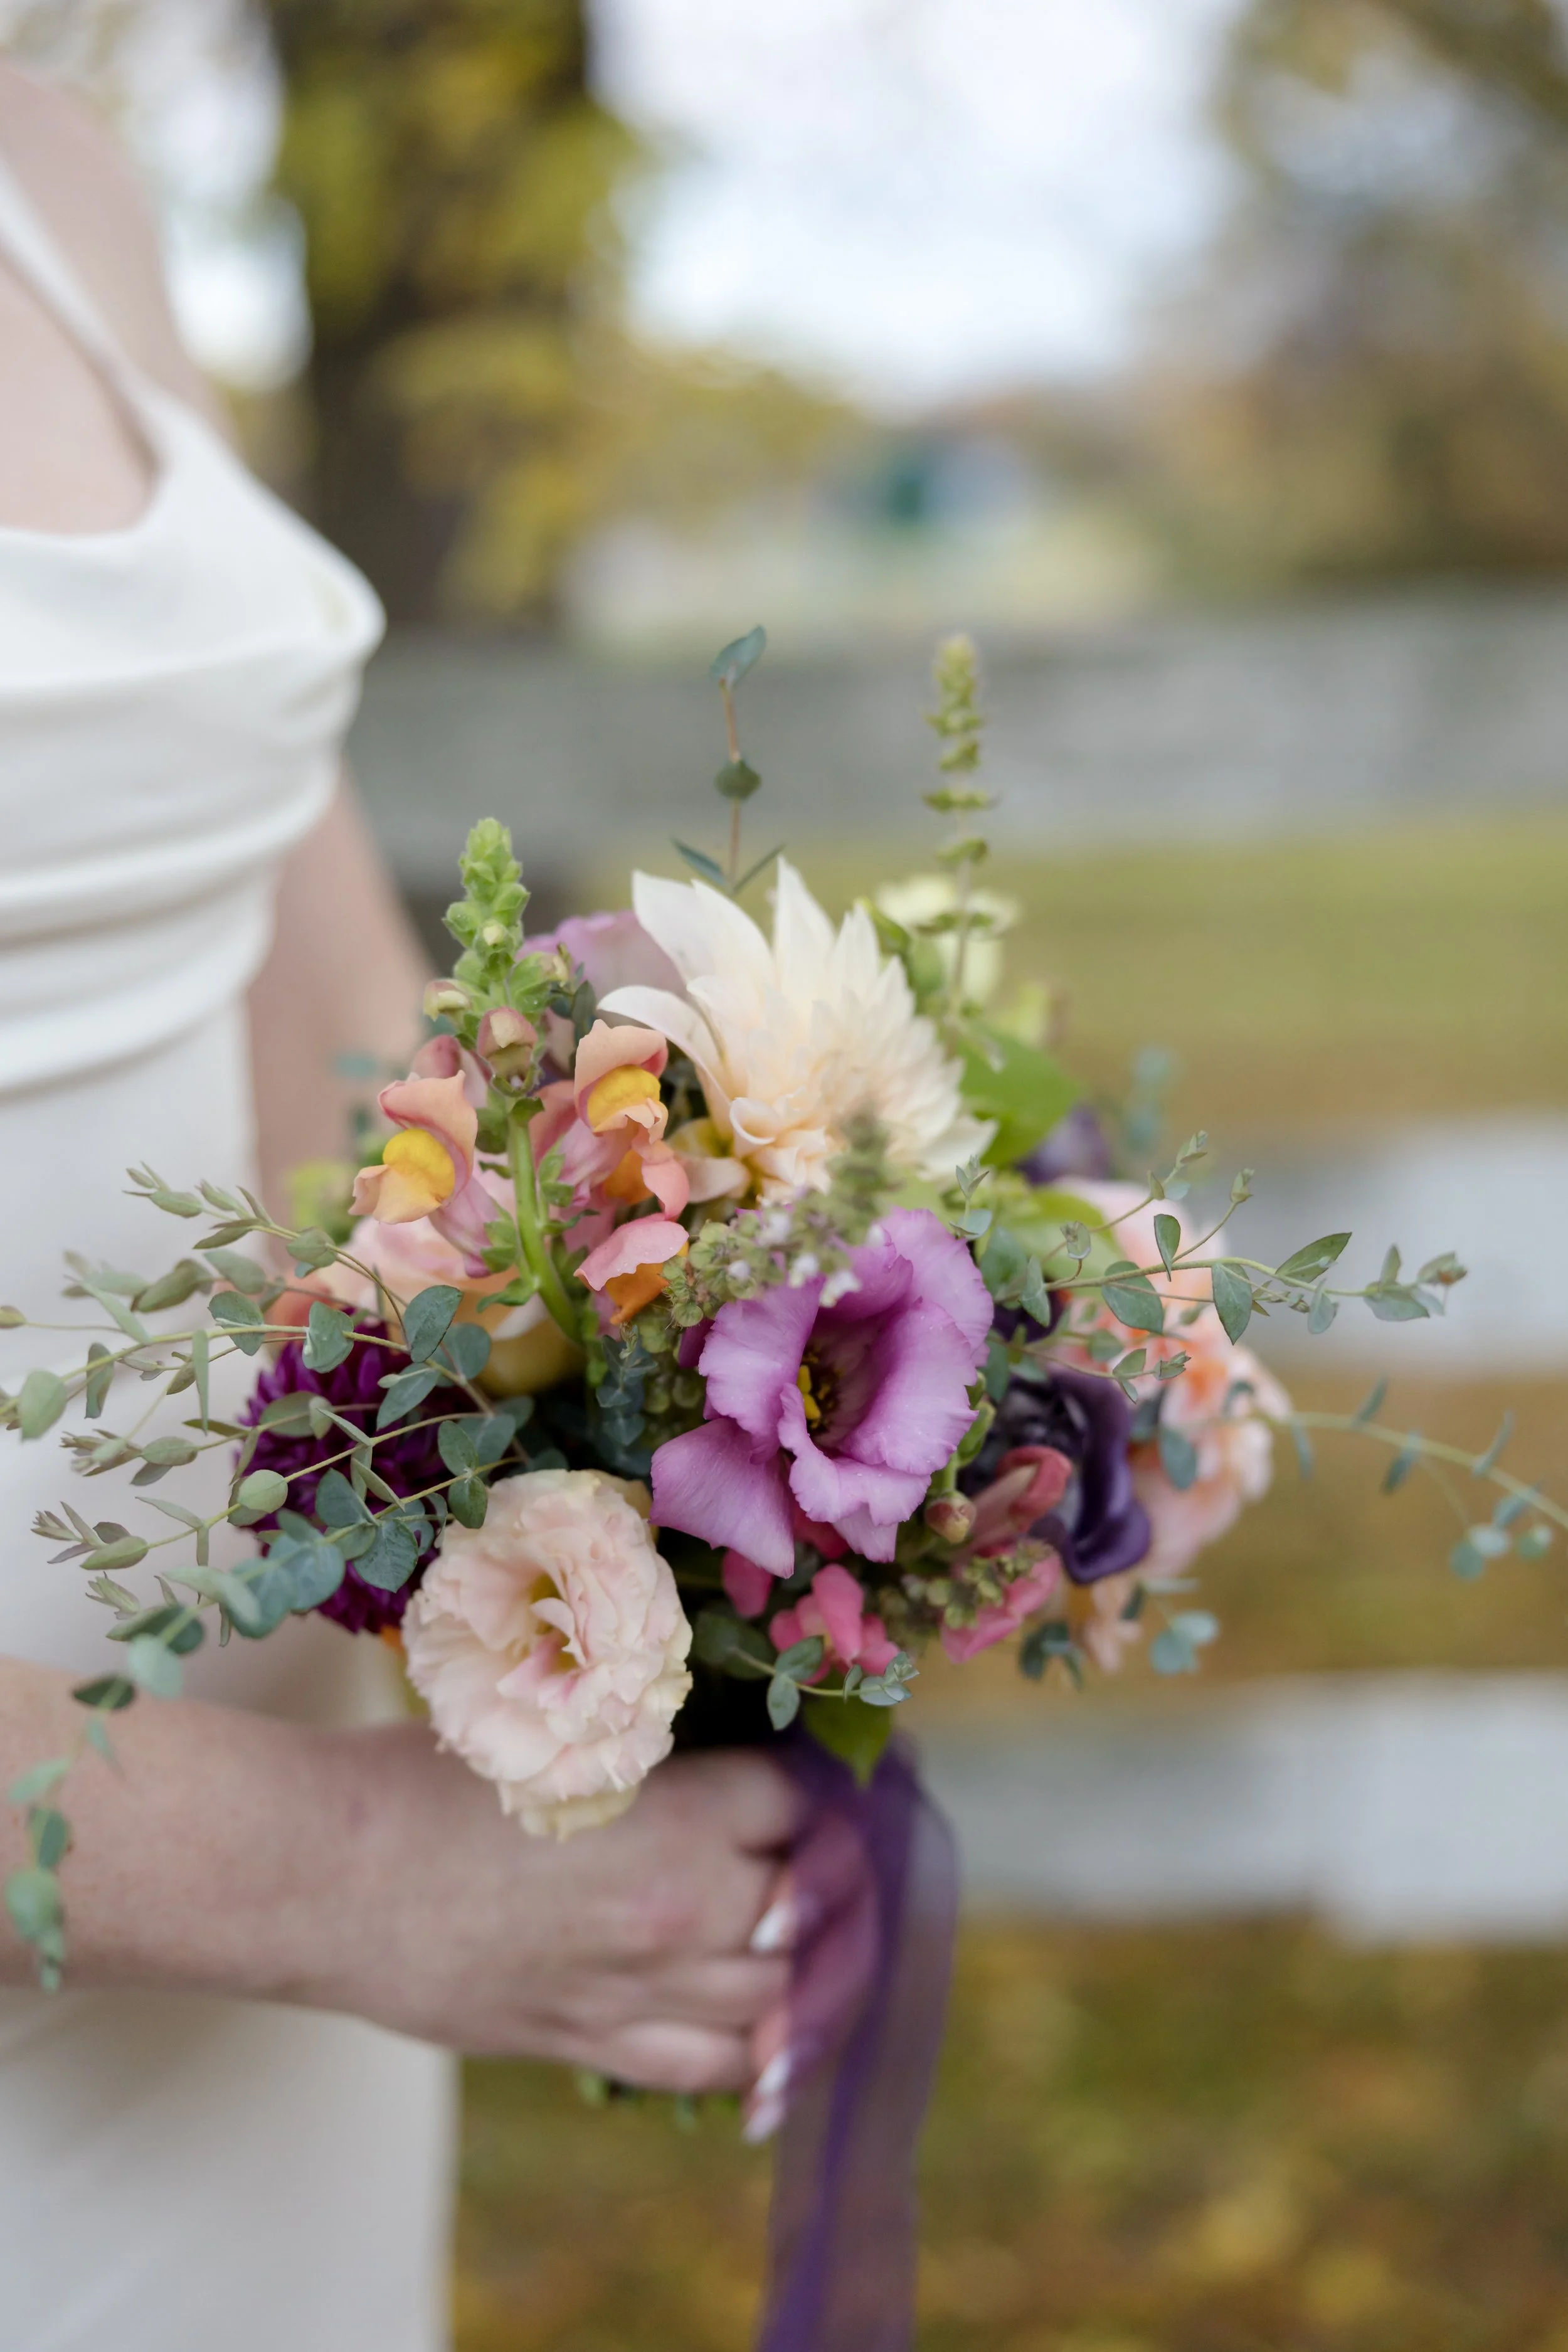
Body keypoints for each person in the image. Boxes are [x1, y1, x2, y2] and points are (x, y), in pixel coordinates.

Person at [0, 62, 799, 2352]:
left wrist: (691, 1383)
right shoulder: (335, 1889)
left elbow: (330, 1008)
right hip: (246, 1878)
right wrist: (333, 1876)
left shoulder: (50, 167)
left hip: (277, 1967)